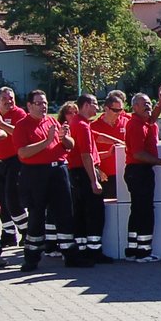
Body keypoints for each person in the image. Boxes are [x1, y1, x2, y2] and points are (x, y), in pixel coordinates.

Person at [14, 90, 81, 272]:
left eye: (44, 102)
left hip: (58, 170)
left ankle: (70, 254)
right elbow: (23, 153)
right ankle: (32, 257)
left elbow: (70, 145)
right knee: (36, 216)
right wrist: (47, 141)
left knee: (65, 212)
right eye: (38, 103)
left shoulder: (51, 121)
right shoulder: (22, 125)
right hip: (36, 174)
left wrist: (64, 137)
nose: (43, 106)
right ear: (29, 105)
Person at [122, 88, 161, 262]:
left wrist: (160, 102)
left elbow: (152, 118)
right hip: (139, 172)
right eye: (145, 104)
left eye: (149, 104)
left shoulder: (144, 122)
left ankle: (133, 250)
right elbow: (138, 153)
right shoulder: (136, 125)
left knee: (137, 210)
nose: (149, 106)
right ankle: (143, 252)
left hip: (138, 171)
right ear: (134, 107)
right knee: (144, 211)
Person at [67, 95, 109, 265]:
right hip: (84, 174)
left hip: (77, 174)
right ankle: (94, 251)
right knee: (93, 214)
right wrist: (94, 180)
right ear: (85, 105)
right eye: (95, 104)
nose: (97, 108)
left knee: (81, 214)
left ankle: (83, 250)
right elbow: (86, 155)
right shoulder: (82, 125)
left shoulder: (77, 122)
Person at [0, 86, 28, 248]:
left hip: (15, 161)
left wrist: (2, 125)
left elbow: (18, 133)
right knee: (0, 199)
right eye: (4, 98)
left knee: (12, 198)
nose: (9, 101)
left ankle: (26, 231)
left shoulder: (19, 114)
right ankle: (9, 234)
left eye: (11, 98)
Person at [90, 91, 130, 201]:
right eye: (115, 110)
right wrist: (97, 171)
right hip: (105, 177)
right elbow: (89, 155)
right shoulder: (93, 127)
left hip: (125, 175)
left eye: (121, 110)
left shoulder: (127, 123)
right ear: (106, 109)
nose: (119, 113)